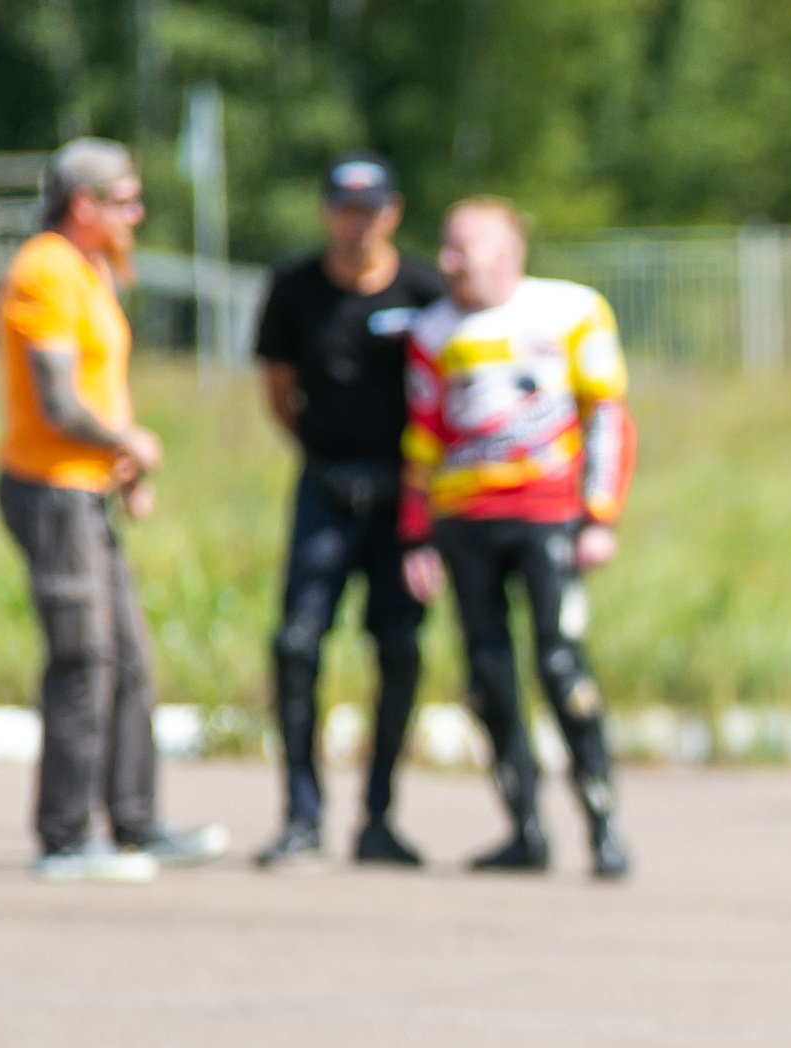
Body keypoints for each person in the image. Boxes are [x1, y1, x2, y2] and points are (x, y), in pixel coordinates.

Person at [0, 138, 226, 882]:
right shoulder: (44, 270)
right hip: (51, 489)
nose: (138, 211)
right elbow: (60, 402)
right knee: (82, 656)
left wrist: (126, 469)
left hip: (89, 487)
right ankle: (63, 837)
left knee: (128, 656)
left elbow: (103, 388)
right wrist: (127, 441)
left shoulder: (93, 269)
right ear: (83, 205)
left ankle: (134, 819)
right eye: (124, 198)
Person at [398, 197, 634, 876]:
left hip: (548, 517)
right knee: (488, 677)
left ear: (507, 254)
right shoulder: (433, 329)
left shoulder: (571, 310)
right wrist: (416, 536)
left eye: (460, 250)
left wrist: (600, 515)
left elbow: (608, 418)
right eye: (444, 248)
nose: (446, 263)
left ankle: (603, 826)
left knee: (562, 668)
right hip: (462, 521)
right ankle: (524, 830)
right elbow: (420, 437)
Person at [250, 152, 444, 869]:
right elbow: (278, 389)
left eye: (368, 209)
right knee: (296, 643)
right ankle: (302, 815)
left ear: (391, 213)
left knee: (398, 650)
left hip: (405, 498)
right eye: (342, 208)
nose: (354, 223)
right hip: (326, 489)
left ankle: (378, 818)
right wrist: (321, 457)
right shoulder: (294, 289)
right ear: (326, 211)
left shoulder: (425, 287)